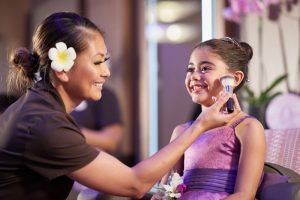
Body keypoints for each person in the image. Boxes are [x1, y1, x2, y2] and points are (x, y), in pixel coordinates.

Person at [0, 12, 240, 200]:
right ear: (62, 70)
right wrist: (200, 125)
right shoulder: (44, 124)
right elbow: (134, 183)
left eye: (105, 61)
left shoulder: (41, 108)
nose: (106, 72)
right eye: (97, 62)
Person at [152, 38, 266, 200]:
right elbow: (165, 190)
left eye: (205, 68)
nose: (195, 76)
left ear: (235, 79)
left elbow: (244, 195)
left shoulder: (248, 127)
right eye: (190, 69)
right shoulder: (181, 131)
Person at [71, 87, 123, 154]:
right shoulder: (55, 95)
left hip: (86, 157)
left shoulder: (104, 95)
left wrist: (68, 132)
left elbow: (110, 141)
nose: (106, 75)